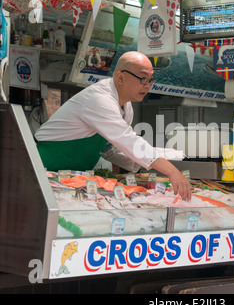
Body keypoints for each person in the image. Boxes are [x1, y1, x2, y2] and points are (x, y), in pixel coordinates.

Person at [35, 51, 191, 201]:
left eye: (151, 79)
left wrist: (144, 160)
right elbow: (127, 140)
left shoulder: (126, 107)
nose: (148, 85)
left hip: (73, 178)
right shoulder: (99, 99)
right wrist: (172, 172)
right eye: (143, 78)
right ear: (120, 77)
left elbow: (110, 148)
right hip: (43, 170)